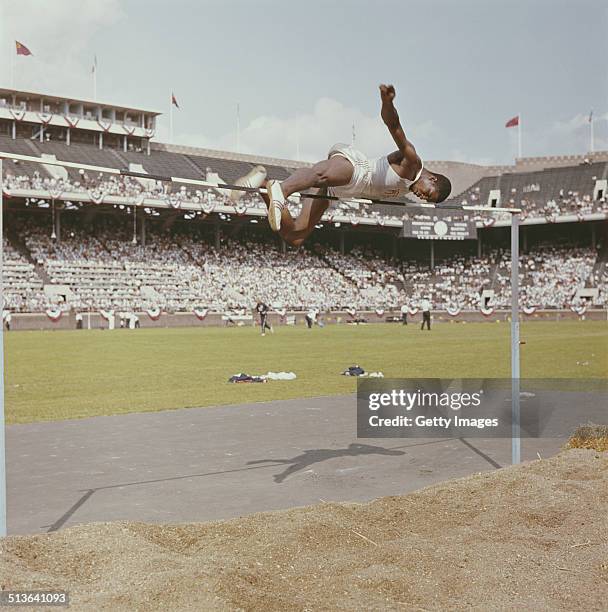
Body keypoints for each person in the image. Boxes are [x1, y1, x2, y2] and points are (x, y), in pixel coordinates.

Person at [259, 84, 451, 247]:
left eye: (426, 201)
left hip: (341, 192)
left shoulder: (409, 187)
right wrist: (387, 102)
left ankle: (263, 184)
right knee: (320, 175)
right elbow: (394, 126)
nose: (422, 197)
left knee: (295, 236)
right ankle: (282, 190)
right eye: (428, 194)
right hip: (358, 170)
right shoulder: (412, 162)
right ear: (432, 179)